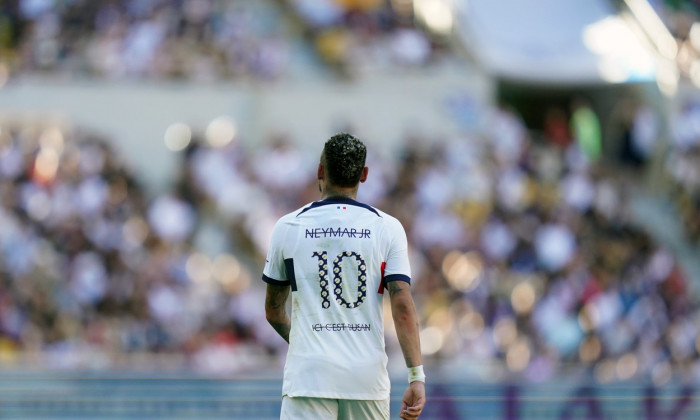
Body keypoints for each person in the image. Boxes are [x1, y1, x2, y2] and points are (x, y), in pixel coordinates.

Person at [263, 133, 426, 420]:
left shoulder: (288, 226)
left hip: (308, 377)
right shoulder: (387, 228)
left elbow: (274, 310)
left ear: (319, 171)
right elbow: (402, 305)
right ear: (364, 175)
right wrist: (416, 376)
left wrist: (306, 343)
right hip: (366, 378)